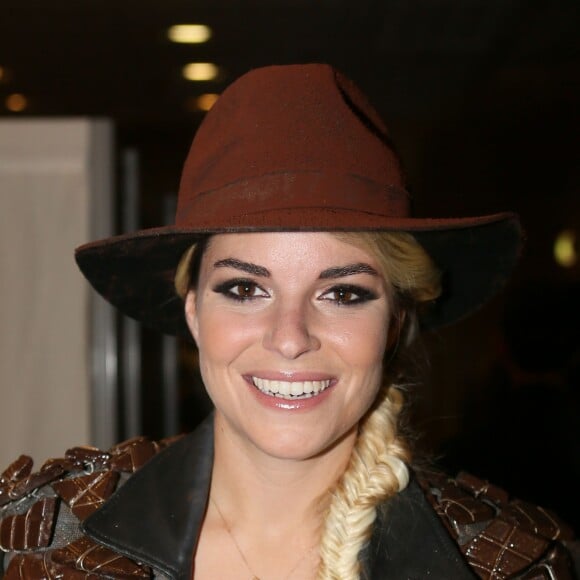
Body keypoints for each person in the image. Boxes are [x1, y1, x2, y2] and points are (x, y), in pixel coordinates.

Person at [0, 64, 576, 579]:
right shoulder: (35, 544)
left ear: (395, 321)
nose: (290, 337)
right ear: (194, 311)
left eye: (344, 293)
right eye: (246, 289)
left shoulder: (513, 564)